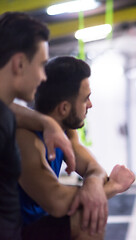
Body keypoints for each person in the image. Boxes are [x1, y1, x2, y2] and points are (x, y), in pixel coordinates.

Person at [16, 56, 135, 240]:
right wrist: (114, 186)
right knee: (87, 219)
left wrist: (93, 184)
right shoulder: (25, 139)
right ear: (64, 108)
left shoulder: (66, 132)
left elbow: (93, 168)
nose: (90, 105)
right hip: (16, 231)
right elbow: (56, 201)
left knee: (90, 217)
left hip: (38, 224)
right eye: (86, 99)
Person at [0, 12, 76, 240]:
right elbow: (56, 202)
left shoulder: (6, 115)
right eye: (42, 65)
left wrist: (46, 122)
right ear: (20, 63)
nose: (43, 77)